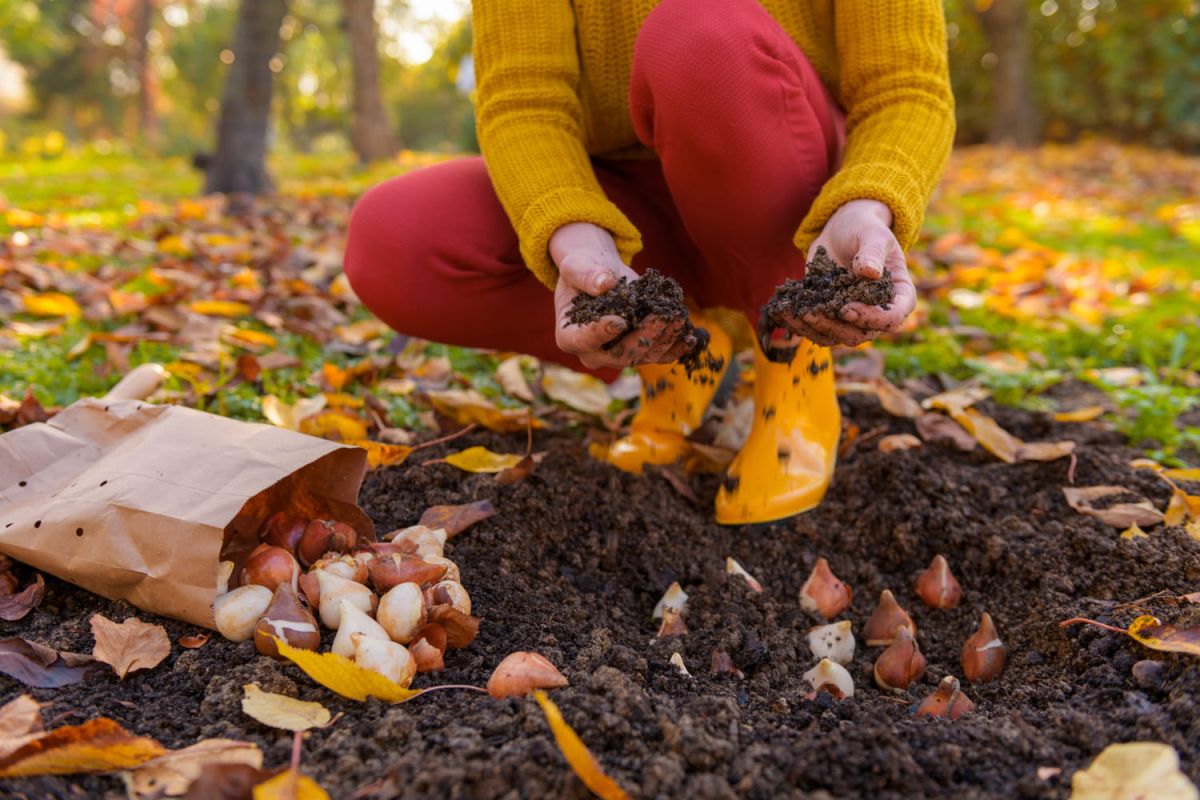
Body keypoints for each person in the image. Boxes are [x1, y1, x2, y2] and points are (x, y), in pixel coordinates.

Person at [344, 0, 955, 525]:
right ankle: (678, 355)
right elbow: (524, 100)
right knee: (393, 240)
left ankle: (794, 377)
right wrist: (574, 236)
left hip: (786, 192)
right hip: (622, 208)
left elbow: (905, 87)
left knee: (699, 32)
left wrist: (866, 203)